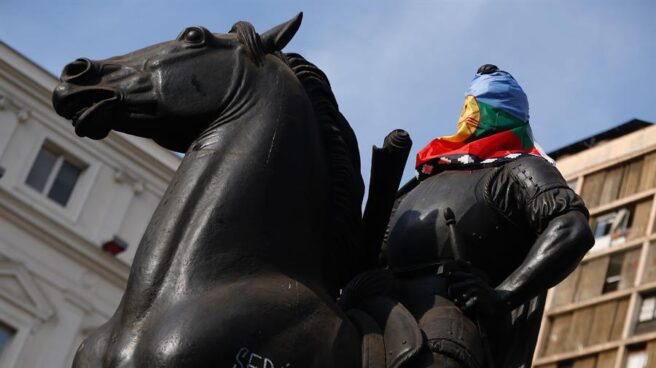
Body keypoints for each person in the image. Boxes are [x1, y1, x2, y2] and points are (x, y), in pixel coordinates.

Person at [381, 65, 595, 367]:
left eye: (476, 108)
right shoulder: (421, 181)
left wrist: (501, 295)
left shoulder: (520, 168)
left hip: (449, 313)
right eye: (466, 106)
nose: (466, 116)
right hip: (380, 305)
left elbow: (572, 229)